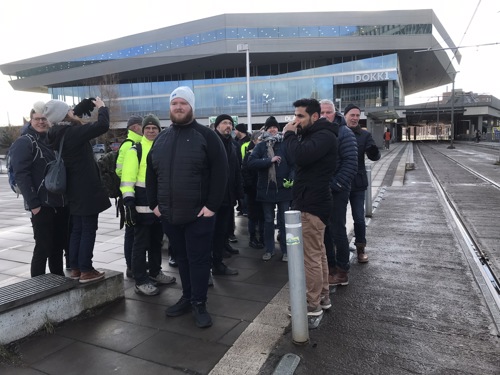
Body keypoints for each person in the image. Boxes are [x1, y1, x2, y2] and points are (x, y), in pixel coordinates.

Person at [146, 86, 228, 328]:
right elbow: (151, 173)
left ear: (192, 106)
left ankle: (199, 303)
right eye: (174, 104)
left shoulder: (207, 136)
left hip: (198, 215)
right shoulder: (161, 137)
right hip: (170, 215)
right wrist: (154, 205)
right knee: (181, 259)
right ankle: (187, 297)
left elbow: (221, 172)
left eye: (183, 103)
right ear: (169, 108)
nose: (178, 107)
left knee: (199, 260)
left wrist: (211, 207)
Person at [282, 98, 338, 316]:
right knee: (319, 253)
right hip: (314, 201)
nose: (295, 120)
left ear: (315, 117)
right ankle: (322, 297)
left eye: (300, 116)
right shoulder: (318, 134)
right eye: (295, 115)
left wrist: (288, 134)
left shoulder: (323, 136)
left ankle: (310, 303)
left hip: (312, 203)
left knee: (311, 257)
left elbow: (299, 156)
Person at [46, 97, 111, 283]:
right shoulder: (72, 133)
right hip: (85, 188)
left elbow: (75, 121)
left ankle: (75, 267)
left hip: (73, 189)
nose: (72, 111)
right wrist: (102, 108)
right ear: (64, 115)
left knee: (78, 229)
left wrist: (80, 109)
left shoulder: (58, 132)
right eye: (69, 110)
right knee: (88, 229)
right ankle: (86, 269)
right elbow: (102, 125)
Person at [9, 102, 70, 277]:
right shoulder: (24, 141)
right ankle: (36, 287)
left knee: (57, 246)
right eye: (37, 119)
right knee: (43, 248)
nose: (41, 122)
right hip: (41, 205)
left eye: (44, 118)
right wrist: (34, 204)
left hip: (59, 203)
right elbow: (22, 175)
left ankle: (58, 280)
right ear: (31, 120)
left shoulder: (50, 140)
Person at [120, 114, 176, 296]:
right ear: (143, 130)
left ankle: (155, 272)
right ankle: (140, 280)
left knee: (156, 242)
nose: (151, 131)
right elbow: (127, 179)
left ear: (159, 130)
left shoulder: (163, 148)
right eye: (148, 128)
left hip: (159, 205)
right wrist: (129, 203)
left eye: (155, 128)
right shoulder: (135, 150)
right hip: (141, 205)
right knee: (140, 244)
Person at [319, 99, 358, 286]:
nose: (325, 115)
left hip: (337, 190)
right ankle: (331, 267)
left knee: (337, 230)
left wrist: (336, 185)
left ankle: (342, 270)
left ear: (335, 113)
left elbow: (350, 163)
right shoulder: (318, 132)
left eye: (328, 112)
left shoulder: (344, 132)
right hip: (322, 190)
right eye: (322, 112)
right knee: (325, 230)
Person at [248, 116, 294, 262]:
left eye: (274, 127)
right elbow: (251, 162)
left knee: (284, 221)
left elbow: (294, 164)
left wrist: (292, 179)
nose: (273, 129)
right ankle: (269, 249)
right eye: (270, 127)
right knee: (268, 220)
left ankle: (286, 251)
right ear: (266, 130)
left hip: (284, 190)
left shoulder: (285, 144)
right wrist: (269, 160)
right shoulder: (260, 146)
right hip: (266, 190)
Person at [344, 104, 381, 263]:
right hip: (340, 182)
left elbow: (375, 157)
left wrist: (373, 150)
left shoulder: (364, 135)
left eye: (357, 116)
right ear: (345, 116)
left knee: (359, 217)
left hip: (357, 183)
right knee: (338, 218)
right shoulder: (338, 132)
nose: (355, 118)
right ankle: (340, 247)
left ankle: (360, 248)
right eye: (352, 115)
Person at [211, 114, 243, 276]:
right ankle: (212, 265)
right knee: (211, 233)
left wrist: (239, 192)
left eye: (230, 123)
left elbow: (236, 170)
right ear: (216, 126)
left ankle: (217, 264)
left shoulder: (232, 145)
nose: (228, 126)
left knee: (222, 230)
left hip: (227, 196)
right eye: (224, 123)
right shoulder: (211, 143)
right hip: (213, 197)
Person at [116, 115, 143, 278]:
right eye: (142, 125)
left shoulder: (136, 143)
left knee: (135, 231)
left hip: (133, 194)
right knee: (131, 231)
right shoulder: (130, 145)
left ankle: (135, 262)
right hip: (129, 195)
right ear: (134, 127)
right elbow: (120, 171)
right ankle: (131, 266)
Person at [241, 131, 265, 249]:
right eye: (260, 139)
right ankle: (252, 238)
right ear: (254, 141)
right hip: (253, 191)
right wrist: (250, 186)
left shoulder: (266, 154)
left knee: (263, 216)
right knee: (253, 216)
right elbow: (245, 172)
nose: (262, 142)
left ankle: (262, 238)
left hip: (263, 190)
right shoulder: (249, 155)